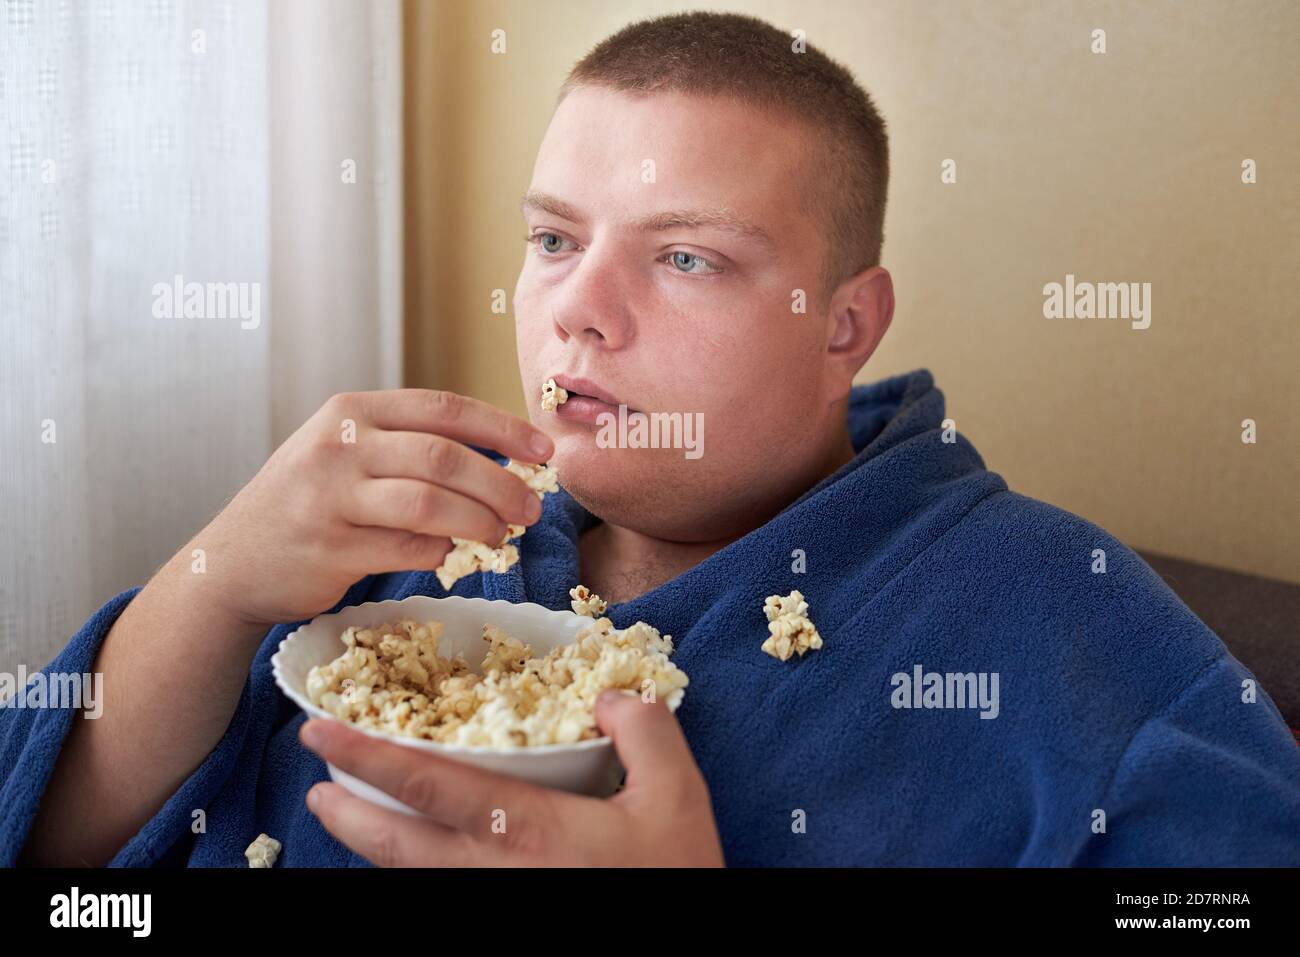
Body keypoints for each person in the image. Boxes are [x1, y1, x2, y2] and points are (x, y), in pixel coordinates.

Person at [5, 11, 1298, 868]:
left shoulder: (1062, 620)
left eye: (685, 256)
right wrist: (216, 579)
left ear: (844, 321)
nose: (579, 308)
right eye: (556, 239)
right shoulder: (401, 560)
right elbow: (53, 847)